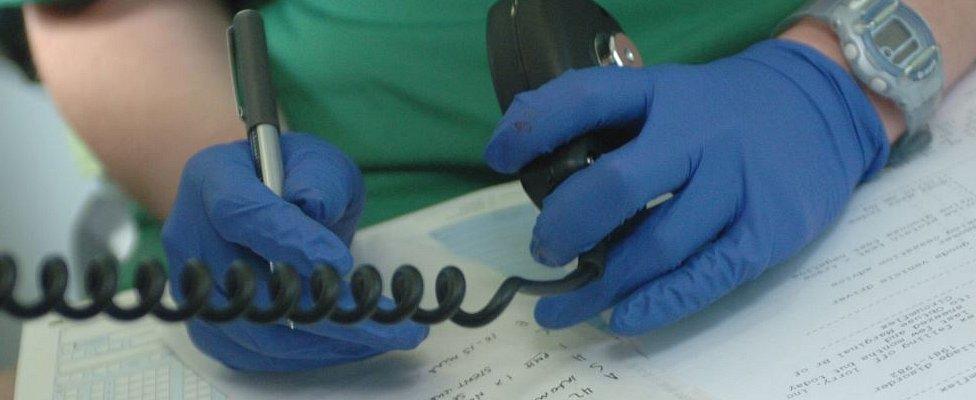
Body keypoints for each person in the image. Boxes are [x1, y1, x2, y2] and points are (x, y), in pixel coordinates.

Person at [6, 0, 975, 372]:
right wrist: (235, 173)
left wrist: (840, 80)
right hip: (362, 212)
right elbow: (99, 16)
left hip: (851, 133)